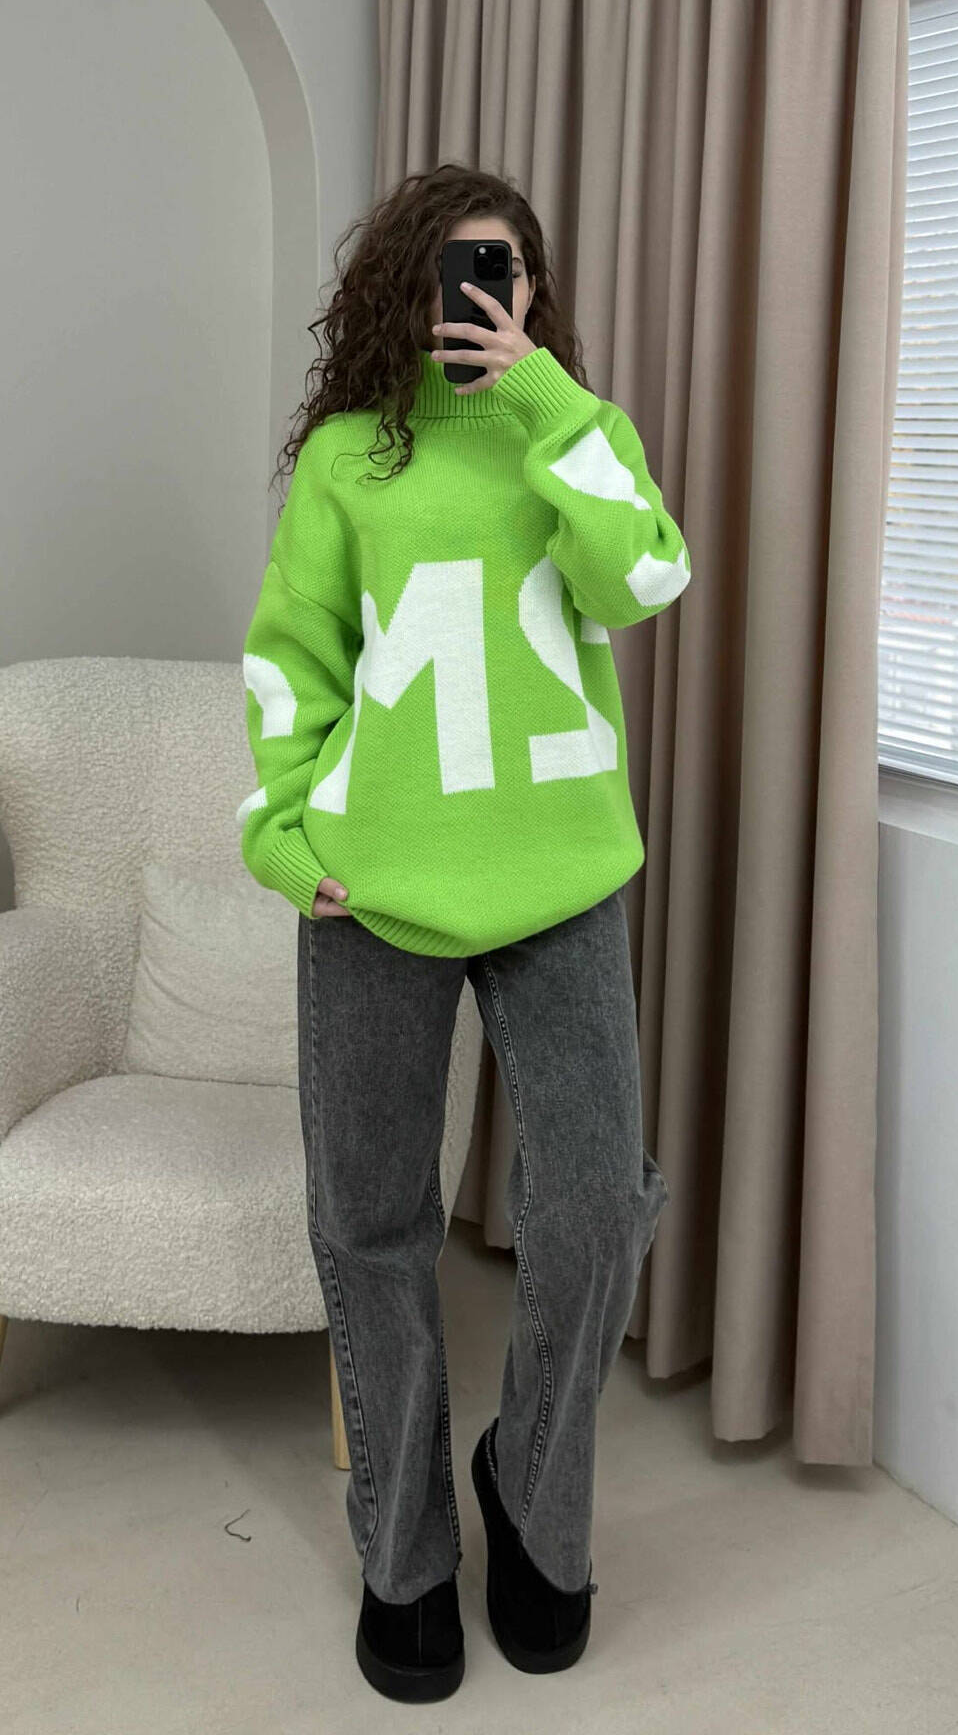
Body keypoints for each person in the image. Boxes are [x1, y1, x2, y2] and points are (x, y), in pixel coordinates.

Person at [237, 162, 690, 1704]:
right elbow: (293, 664)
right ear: (400, 287)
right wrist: (284, 835)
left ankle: (534, 1495)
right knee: (371, 1222)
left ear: (534, 292)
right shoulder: (347, 462)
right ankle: (406, 1552)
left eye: (504, 273)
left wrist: (549, 397)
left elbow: (648, 573)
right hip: (374, 889)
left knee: (596, 1200)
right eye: (454, 271)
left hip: (561, 880)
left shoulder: (570, 434)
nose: (478, 301)